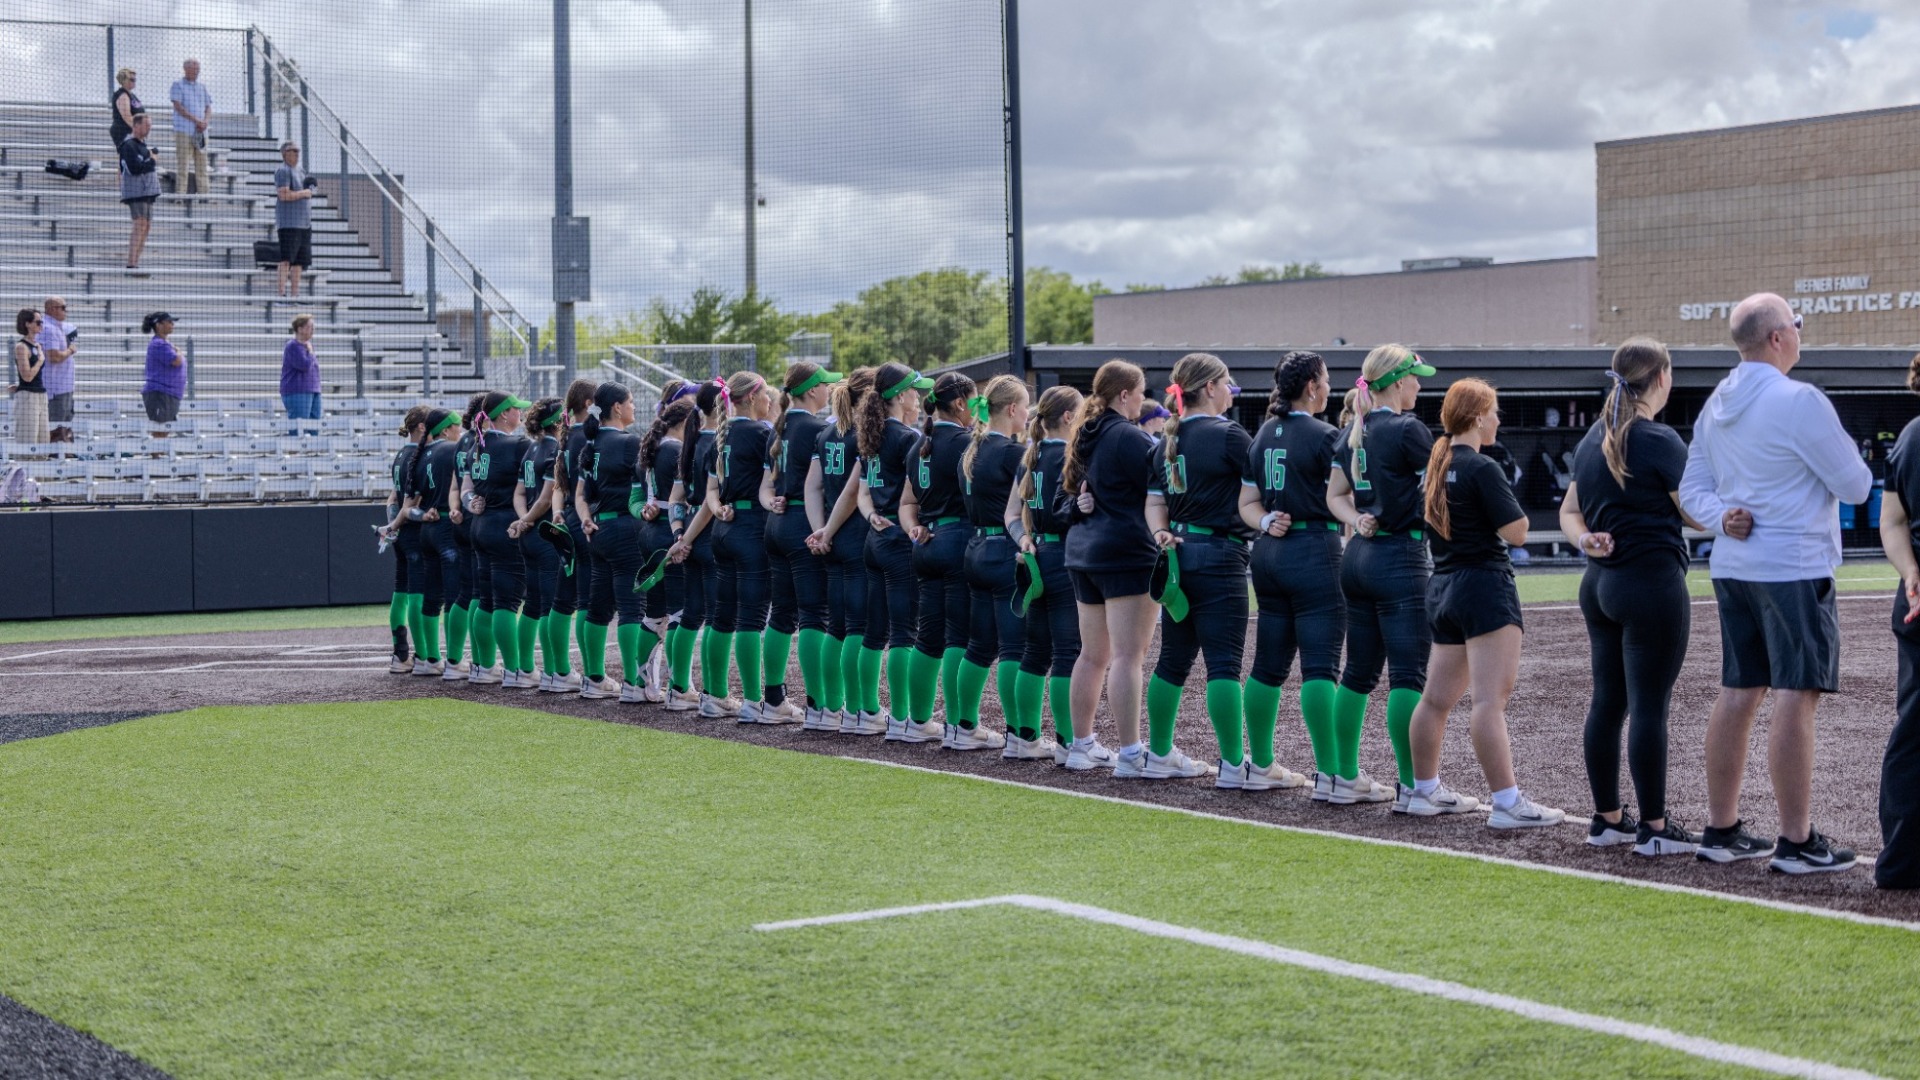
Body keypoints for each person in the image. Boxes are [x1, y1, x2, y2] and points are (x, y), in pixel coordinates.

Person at [1679, 292, 1874, 873]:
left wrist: (1722, 518)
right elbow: (1856, 485)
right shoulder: (1800, 400)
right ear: (1777, 337)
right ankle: (1795, 840)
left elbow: (1692, 489)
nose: (1799, 332)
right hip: (1794, 564)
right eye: (1797, 323)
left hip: (1734, 565)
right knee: (1796, 692)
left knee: (1740, 690)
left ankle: (1722, 829)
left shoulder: (1716, 401)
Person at [1559, 339, 1703, 856]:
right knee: (1648, 708)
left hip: (1599, 585)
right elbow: (1696, 513)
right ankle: (1655, 829)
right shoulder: (1659, 439)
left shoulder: (1593, 437)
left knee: (1608, 703)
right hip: (1650, 584)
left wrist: (1585, 540)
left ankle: (1608, 820)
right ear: (1661, 378)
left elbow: (1570, 511)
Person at [1404, 379, 1563, 828]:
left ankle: (1424, 790)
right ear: (1476, 417)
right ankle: (1508, 803)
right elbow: (1518, 532)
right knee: (1489, 702)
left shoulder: (1436, 466)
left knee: (1435, 701)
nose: (1497, 420)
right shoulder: (1481, 466)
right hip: (1484, 586)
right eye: (1493, 412)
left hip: (1444, 585)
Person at [1143, 353, 1267, 784]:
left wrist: (1160, 533)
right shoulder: (1229, 434)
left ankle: (1159, 753)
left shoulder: (1167, 439)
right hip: (1219, 555)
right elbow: (1259, 491)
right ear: (1210, 387)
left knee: (1172, 661)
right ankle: (1233, 765)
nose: (1231, 391)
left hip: (1177, 555)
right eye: (1227, 383)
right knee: (1224, 665)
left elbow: (1153, 504)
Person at [1241, 351, 1357, 800]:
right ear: (1311, 386)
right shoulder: (1326, 435)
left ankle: (1260, 764)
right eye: (1325, 380)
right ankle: (1332, 775)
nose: (1329, 387)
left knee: (1267, 666)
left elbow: (1247, 504)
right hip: (1314, 550)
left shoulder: (1262, 433)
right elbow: (1349, 496)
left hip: (1268, 552)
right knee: (1320, 667)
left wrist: (1265, 521)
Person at [1328, 345, 1437, 810]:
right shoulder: (1408, 429)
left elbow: (1335, 497)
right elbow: (1439, 491)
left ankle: (1342, 776)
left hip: (1358, 556)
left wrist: (1357, 518)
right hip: (1399, 557)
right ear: (1395, 381)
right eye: (1415, 377)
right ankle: (1414, 787)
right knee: (1407, 677)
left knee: (1357, 674)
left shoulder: (1354, 430)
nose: (1419, 385)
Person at [1059, 359, 1160, 773]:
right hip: (1124, 554)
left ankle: (1081, 746)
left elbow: (1067, 498)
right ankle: (1131, 753)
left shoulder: (1083, 432)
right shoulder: (1130, 436)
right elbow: (1162, 487)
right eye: (1140, 392)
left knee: (1092, 655)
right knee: (1128, 656)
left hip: (1084, 554)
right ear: (1124, 394)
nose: (1142, 399)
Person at [855, 364, 936, 740]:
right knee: (904, 632)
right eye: (914, 391)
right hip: (899, 540)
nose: (918, 398)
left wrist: (871, 515)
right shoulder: (908, 437)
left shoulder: (871, 433)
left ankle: (867, 711)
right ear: (900, 396)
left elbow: (864, 492)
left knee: (874, 633)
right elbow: (918, 493)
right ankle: (903, 718)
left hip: (875, 539)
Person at [902, 372, 982, 745]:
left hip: (926, 544)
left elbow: (907, 503)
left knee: (928, 637)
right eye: (975, 401)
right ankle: (959, 726)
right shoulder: (967, 443)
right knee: (958, 638)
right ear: (961, 403)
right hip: (957, 540)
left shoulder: (919, 445)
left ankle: (918, 721)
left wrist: (913, 528)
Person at [762, 362, 843, 728]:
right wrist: (822, 530)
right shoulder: (817, 429)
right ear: (812, 390)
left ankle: (773, 699)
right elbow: (819, 486)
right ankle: (818, 705)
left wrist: (772, 503)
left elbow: (767, 487)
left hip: (777, 525)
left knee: (781, 613)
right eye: (824, 384)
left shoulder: (778, 428)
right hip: (803, 525)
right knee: (814, 615)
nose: (828, 390)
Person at [955, 375, 1031, 751]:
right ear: (1012, 409)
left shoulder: (972, 449)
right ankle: (1020, 735)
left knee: (979, 646)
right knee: (1014, 648)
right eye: (1026, 406)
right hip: (1004, 552)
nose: (1029, 414)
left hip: (976, 549)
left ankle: (964, 727)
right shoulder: (1011, 452)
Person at [1011, 385, 1086, 760]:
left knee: (1035, 652)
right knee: (1067, 653)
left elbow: (1011, 515)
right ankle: (1068, 743)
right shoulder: (1071, 456)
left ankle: (1023, 739)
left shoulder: (1032, 456)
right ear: (1068, 417)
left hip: (1036, 555)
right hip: (1063, 556)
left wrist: (1024, 540)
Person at [707, 372, 786, 725]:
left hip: (723, 529)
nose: (770, 400)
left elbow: (711, 490)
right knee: (751, 619)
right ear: (752, 398)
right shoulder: (761, 433)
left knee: (722, 617)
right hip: (751, 527)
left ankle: (714, 695)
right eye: (766, 394)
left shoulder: (721, 435)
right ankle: (755, 700)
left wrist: (719, 509)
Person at [806, 368, 883, 735]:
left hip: (833, 537)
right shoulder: (864, 433)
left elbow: (812, 488)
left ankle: (829, 709)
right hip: (853, 536)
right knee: (858, 627)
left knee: (836, 626)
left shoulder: (825, 433)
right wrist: (829, 531)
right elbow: (854, 492)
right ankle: (859, 710)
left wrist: (819, 531)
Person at [573, 383, 654, 702]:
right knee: (632, 609)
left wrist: (585, 519)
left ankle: (594, 679)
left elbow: (581, 495)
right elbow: (649, 486)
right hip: (625, 530)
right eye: (630, 402)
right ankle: (634, 683)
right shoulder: (628, 442)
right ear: (617, 408)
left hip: (599, 531)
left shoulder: (591, 443)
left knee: (599, 607)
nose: (634, 407)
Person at [1876, 352, 1920, 890]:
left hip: (1914, 602)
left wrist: (1911, 571)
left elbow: (1892, 522)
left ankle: (1902, 861)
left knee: (1913, 730)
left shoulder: (1908, 437)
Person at [669, 380, 738, 717]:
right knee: (716, 617)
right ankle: (715, 693)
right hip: (709, 536)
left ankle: (679, 688)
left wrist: (679, 533)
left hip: (691, 535)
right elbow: (711, 505)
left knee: (692, 613)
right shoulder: (718, 443)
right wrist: (686, 538)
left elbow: (676, 498)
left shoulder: (691, 441)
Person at [465, 391, 535, 687]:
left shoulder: (476, 446)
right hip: (507, 525)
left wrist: (470, 503)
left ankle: (484, 666)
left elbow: (467, 490)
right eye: (516, 409)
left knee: (487, 600)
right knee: (506, 602)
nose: (521, 413)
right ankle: (516, 670)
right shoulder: (518, 444)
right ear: (504, 413)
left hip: (481, 526)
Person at [637, 387, 697, 707]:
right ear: (684, 421)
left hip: (650, 532)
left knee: (654, 612)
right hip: (667, 532)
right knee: (678, 612)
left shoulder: (656, 445)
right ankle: (679, 687)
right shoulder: (675, 449)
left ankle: (640, 683)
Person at [441, 393, 488, 682]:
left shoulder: (461, 441)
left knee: (464, 592)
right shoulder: (482, 442)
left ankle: (454, 659)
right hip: (480, 519)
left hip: (461, 518)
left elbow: (455, 486)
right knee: (482, 594)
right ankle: (481, 662)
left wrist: (454, 509)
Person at [555, 379, 599, 689]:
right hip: (587, 518)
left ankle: (560, 672)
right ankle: (593, 675)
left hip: (570, 515)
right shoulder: (589, 435)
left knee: (564, 599)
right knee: (587, 600)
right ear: (588, 404)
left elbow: (560, 485)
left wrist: (559, 511)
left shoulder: (568, 435)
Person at [417, 409, 466, 680]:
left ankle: (430, 658)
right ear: (446, 429)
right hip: (447, 525)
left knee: (431, 596)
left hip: (427, 527)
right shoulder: (451, 449)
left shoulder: (421, 453)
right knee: (455, 597)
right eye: (457, 425)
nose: (461, 430)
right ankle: (454, 661)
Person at [382, 405, 429, 672]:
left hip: (401, 534)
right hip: (413, 531)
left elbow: (392, 499)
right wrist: (397, 524)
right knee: (417, 592)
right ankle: (423, 656)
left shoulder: (400, 455)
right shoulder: (418, 457)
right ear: (421, 427)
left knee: (401, 591)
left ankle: (400, 655)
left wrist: (392, 526)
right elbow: (412, 502)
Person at [118, 112, 160, 273]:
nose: (149, 128)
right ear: (136, 126)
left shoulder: (143, 146)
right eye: (146, 125)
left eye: (150, 125)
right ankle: (131, 264)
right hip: (136, 191)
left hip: (147, 191)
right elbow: (135, 168)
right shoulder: (129, 145)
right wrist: (152, 161)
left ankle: (136, 261)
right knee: (140, 223)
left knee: (146, 226)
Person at [274, 142, 316, 298]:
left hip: (304, 224)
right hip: (289, 224)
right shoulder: (283, 171)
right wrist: (304, 193)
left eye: (298, 151)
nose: (297, 154)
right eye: (293, 151)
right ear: (285, 153)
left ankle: (295, 295)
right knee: (286, 260)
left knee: (299, 262)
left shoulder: (301, 171)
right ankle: (281, 294)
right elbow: (283, 195)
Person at [168, 59, 212, 196]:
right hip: (184, 130)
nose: (197, 72)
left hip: (201, 132)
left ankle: (204, 195)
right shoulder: (178, 85)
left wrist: (205, 121)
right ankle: (180, 195)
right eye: (194, 69)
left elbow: (208, 107)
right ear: (186, 69)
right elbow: (178, 107)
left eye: (198, 69)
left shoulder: (202, 87)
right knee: (183, 165)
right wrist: (197, 121)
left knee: (202, 165)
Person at [36, 298, 77, 444]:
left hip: (63, 386)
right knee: (57, 431)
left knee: (65, 428)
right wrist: (70, 350)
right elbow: (54, 357)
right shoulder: (49, 329)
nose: (66, 311)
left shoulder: (56, 327)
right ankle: (56, 455)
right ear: (53, 309)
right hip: (56, 388)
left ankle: (66, 454)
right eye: (63, 308)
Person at [140, 311, 182, 438]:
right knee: (160, 430)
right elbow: (176, 361)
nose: (172, 324)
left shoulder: (163, 343)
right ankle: (154, 451)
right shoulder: (158, 344)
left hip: (168, 393)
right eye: (169, 322)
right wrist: (179, 352)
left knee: (164, 429)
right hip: (161, 394)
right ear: (158, 325)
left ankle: (158, 450)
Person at [11, 310, 48, 446]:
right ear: (27, 324)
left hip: (41, 394)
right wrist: (40, 360)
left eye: (41, 322)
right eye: (38, 322)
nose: (41, 325)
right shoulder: (21, 347)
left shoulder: (37, 345)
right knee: (28, 440)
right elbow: (27, 377)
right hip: (28, 396)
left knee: (43, 440)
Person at [280, 314, 322, 435]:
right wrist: (310, 352)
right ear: (300, 329)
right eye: (309, 327)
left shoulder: (307, 346)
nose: (313, 329)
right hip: (298, 391)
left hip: (313, 390)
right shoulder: (293, 346)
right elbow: (304, 365)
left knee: (314, 428)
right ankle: (295, 447)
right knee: (299, 427)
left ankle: (313, 446)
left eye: (313, 327)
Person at [109, 68, 142, 147]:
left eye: (135, 79)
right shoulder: (122, 95)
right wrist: (138, 131)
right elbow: (127, 117)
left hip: (132, 132)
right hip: (125, 132)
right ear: (124, 81)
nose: (134, 81)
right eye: (132, 79)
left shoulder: (131, 95)